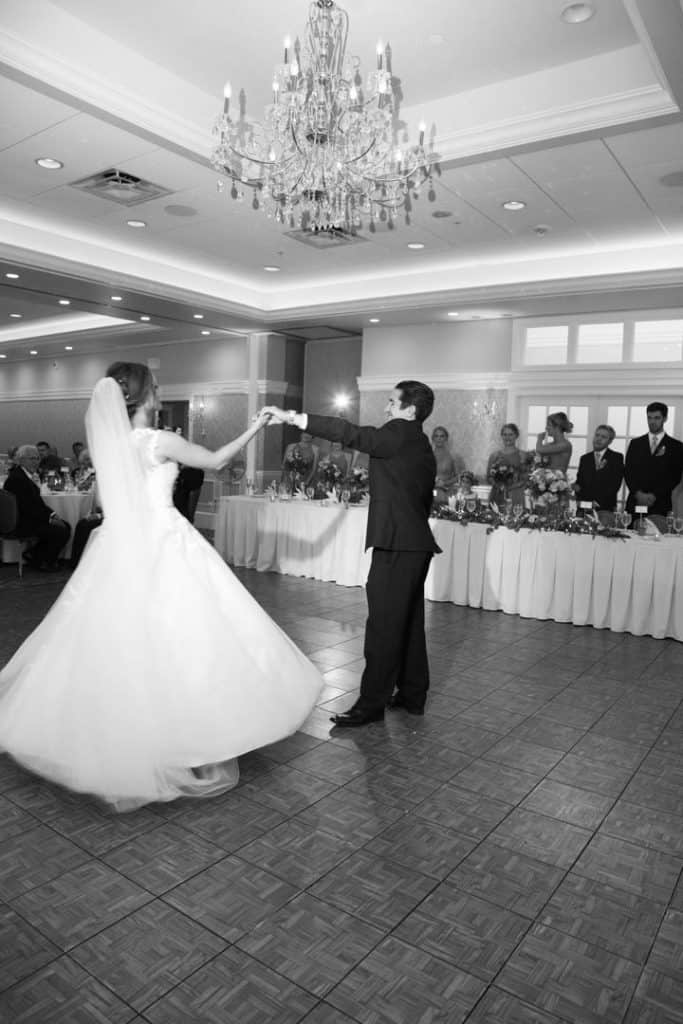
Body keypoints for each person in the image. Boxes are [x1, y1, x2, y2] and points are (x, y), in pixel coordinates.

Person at [0, 362, 322, 810]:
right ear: (145, 395)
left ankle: (111, 731)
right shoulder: (159, 441)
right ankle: (185, 735)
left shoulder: (108, 444)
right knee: (186, 636)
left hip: (120, 547)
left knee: (118, 640)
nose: (160, 389)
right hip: (165, 544)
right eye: (156, 386)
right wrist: (255, 426)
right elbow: (215, 461)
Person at [264, 379, 440, 726]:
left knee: (384, 627)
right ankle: (411, 694)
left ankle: (371, 705)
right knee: (408, 623)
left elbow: (351, 433)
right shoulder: (418, 442)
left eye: (392, 402)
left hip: (398, 544)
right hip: (413, 543)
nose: (387, 408)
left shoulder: (399, 432)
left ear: (410, 410)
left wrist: (294, 418)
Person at [3, 444, 71, 570]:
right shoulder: (18, 479)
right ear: (21, 460)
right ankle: (44, 561)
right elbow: (29, 508)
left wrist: (53, 515)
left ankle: (36, 556)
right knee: (61, 530)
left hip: (27, 518)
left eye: (37, 458)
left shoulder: (23, 475)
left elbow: (36, 504)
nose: (36, 462)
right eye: (32, 459)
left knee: (64, 526)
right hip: (20, 522)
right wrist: (50, 519)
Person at [624, 401, 683, 517]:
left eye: (657, 418)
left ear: (665, 418)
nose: (652, 422)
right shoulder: (635, 443)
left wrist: (654, 496)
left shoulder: (676, 446)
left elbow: (675, 476)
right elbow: (628, 472)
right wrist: (638, 494)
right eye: (649, 418)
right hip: (635, 502)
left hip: (660, 504)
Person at [574, 425, 624, 512]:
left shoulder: (616, 458)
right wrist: (576, 489)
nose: (599, 439)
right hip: (584, 508)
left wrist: (596, 503)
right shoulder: (585, 458)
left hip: (605, 509)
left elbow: (615, 485)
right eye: (597, 435)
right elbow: (580, 483)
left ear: (610, 441)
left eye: (603, 437)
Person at [486, 423, 527, 508]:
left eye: (511, 434)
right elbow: (489, 477)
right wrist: (499, 485)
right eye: (505, 434)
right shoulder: (494, 455)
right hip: (497, 494)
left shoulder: (523, 455)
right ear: (501, 436)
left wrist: (510, 487)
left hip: (515, 495)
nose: (507, 437)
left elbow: (525, 478)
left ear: (516, 436)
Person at [431, 426, 459, 504]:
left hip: (447, 491)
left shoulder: (453, 456)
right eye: (436, 436)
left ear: (446, 438)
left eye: (442, 436)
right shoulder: (427, 456)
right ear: (433, 439)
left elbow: (458, 476)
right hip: (430, 492)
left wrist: (445, 483)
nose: (439, 438)